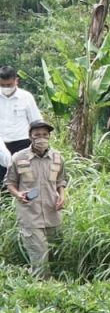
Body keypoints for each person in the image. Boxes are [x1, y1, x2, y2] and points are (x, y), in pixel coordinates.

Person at [4, 119, 66, 279]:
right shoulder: (18, 157)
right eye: (37, 135)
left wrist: (62, 196)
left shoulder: (57, 157)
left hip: (52, 214)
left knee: (53, 256)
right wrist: (18, 195)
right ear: (30, 136)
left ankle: (50, 286)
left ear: (49, 136)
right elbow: (9, 183)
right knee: (39, 256)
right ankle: (41, 290)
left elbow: (61, 181)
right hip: (30, 215)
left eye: (45, 135)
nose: (41, 138)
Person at [0, 65, 42, 183]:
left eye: (9, 85)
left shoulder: (26, 97)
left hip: (22, 144)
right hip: (0, 145)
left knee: (22, 180)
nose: (5, 88)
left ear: (16, 81)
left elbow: (36, 122)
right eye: (2, 85)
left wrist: (40, 144)